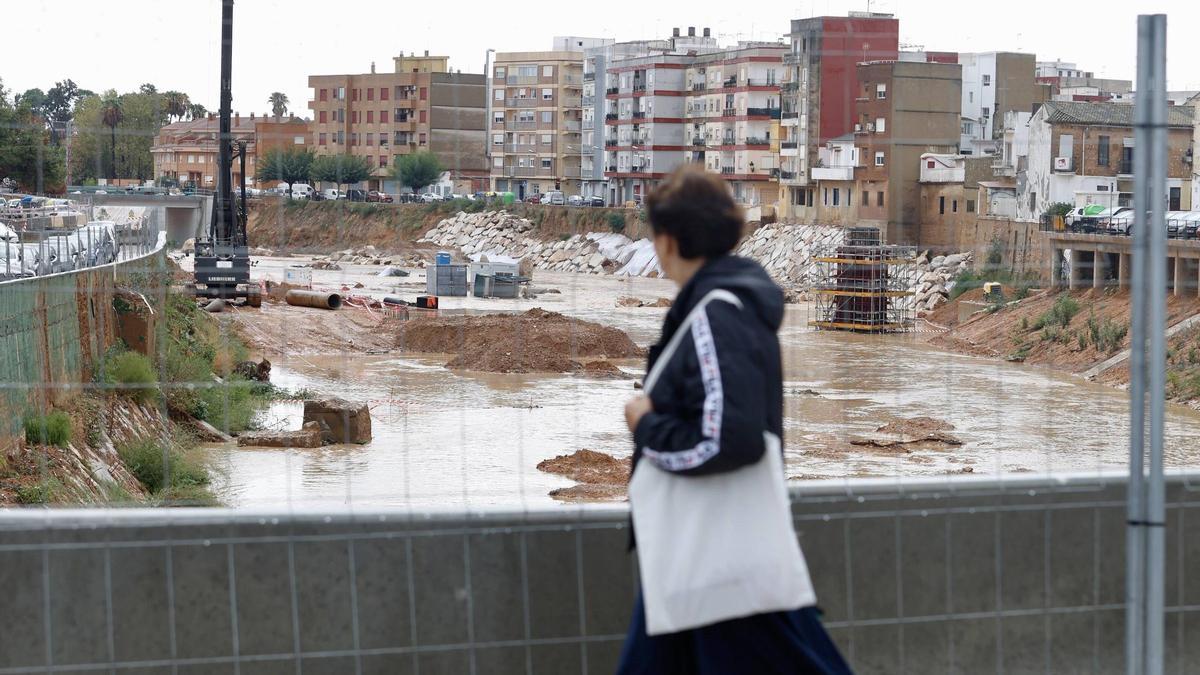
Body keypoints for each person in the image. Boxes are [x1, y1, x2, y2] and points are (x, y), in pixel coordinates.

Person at [618, 165, 851, 674]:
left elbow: (729, 438)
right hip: (697, 551)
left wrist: (645, 426)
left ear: (670, 241)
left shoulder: (715, 315)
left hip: (712, 557)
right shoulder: (722, 305)